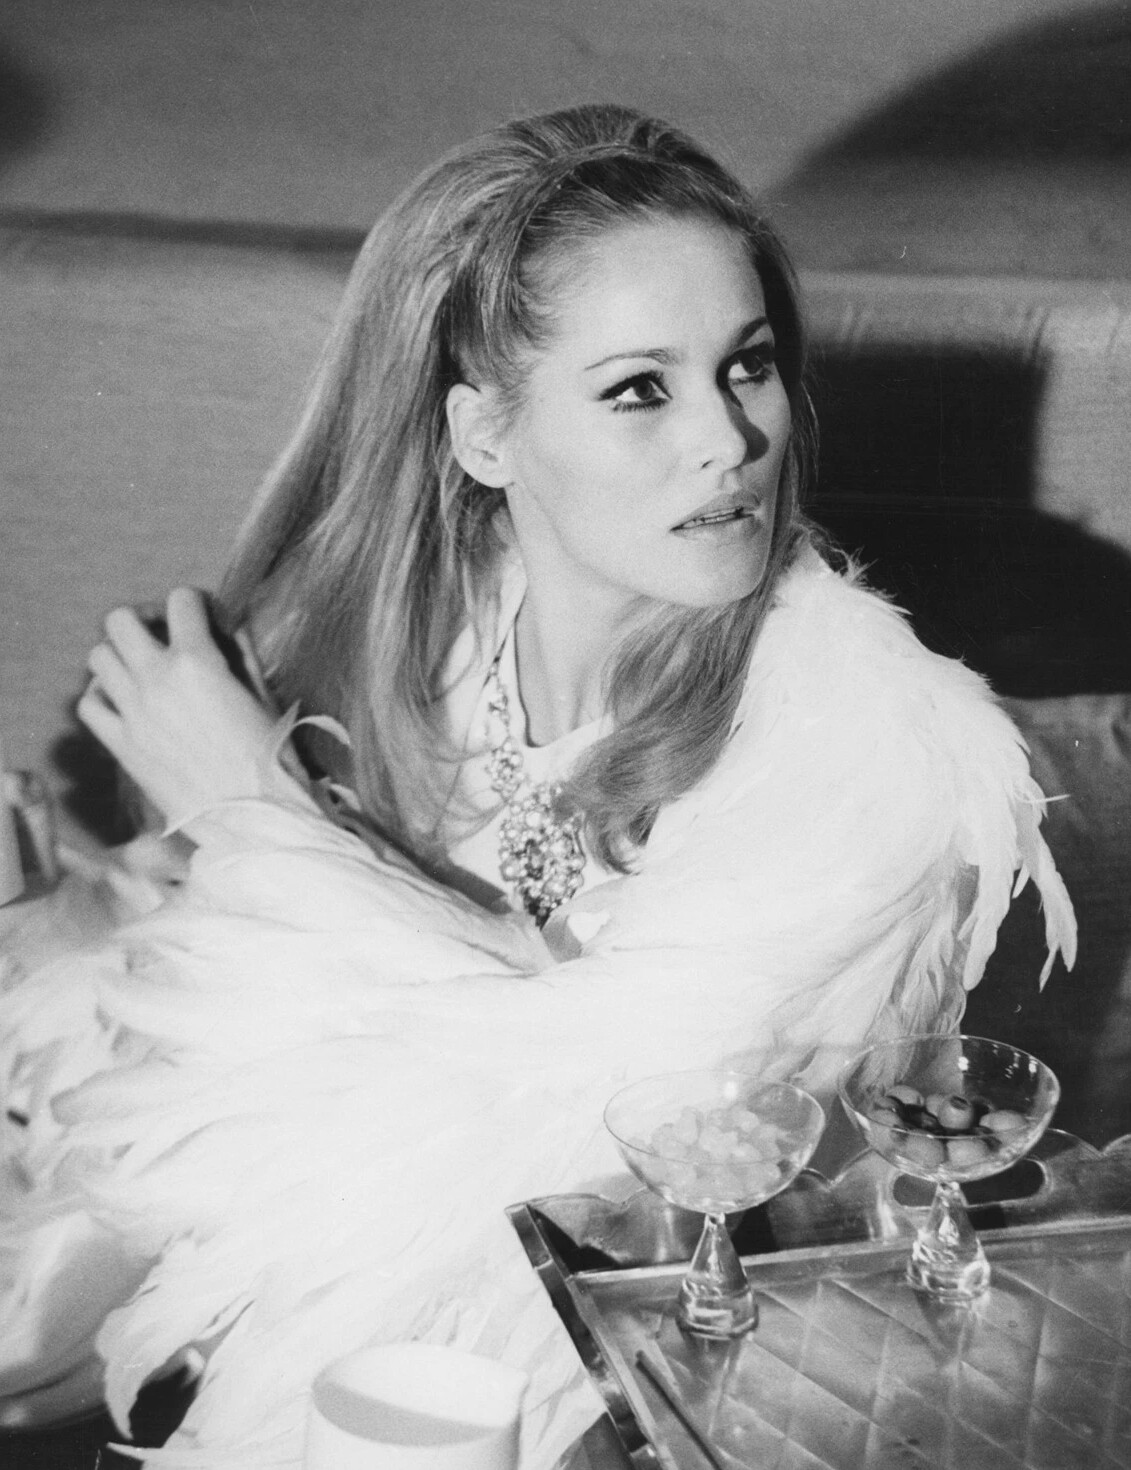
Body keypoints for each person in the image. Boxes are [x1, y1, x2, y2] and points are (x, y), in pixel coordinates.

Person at [0, 104, 1073, 1468]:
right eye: (641, 390)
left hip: (660, 1358)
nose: (730, 440)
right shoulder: (436, 628)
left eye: (747, 367)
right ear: (484, 437)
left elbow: (593, 1161)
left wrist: (254, 819)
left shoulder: (876, 755)